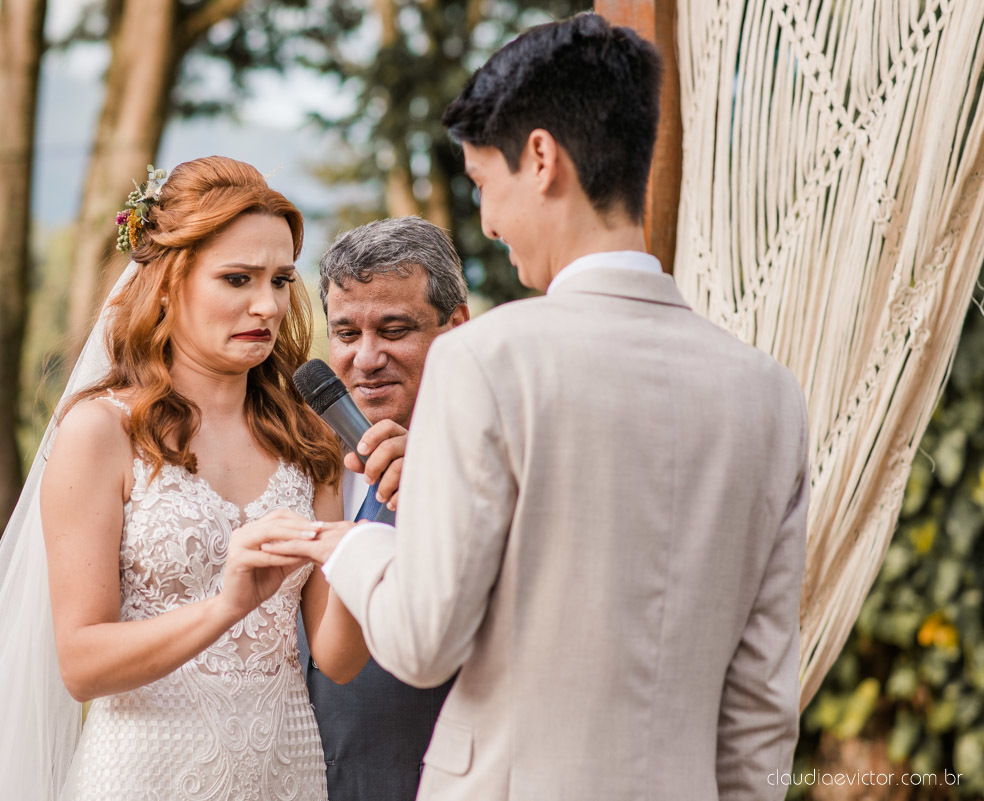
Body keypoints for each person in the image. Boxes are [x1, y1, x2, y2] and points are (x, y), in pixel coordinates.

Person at [266, 13, 810, 801]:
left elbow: (421, 642)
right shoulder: (768, 391)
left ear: (542, 159)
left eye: (485, 183)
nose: (487, 221)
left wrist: (347, 546)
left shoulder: (484, 360)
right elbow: (762, 705)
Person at [0, 157, 368, 801]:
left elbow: (338, 658)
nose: (269, 305)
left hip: (286, 773)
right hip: (147, 774)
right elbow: (82, 664)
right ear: (169, 284)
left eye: (282, 279)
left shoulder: (307, 436)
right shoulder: (101, 433)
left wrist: (374, 532)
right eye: (238, 279)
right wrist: (225, 608)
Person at [299, 216, 468, 801]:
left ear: (455, 328)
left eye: (394, 329)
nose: (366, 359)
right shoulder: (296, 458)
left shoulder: (492, 469)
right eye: (346, 334)